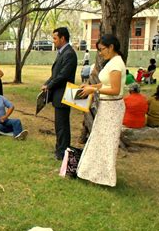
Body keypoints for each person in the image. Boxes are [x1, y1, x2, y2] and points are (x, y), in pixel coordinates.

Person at [77, 34, 126, 187]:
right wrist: (91, 87)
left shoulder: (117, 64)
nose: (100, 52)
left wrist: (94, 90)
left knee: (107, 143)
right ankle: (94, 174)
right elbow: (104, 84)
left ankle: (104, 177)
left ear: (111, 47)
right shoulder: (112, 62)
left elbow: (115, 90)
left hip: (113, 108)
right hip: (106, 107)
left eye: (102, 49)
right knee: (99, 140)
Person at [41, 27, 78, 160]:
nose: (53, 41)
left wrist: (49, 86)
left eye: (55, 38)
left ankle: (63, 153)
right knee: (59, 125)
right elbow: (55, 74)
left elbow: (63, 76)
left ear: (63, 38)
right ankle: (60, 149)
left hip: (64, 94)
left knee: (62, 126)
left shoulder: (69, 54)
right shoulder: (62, 52)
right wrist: (46, 84)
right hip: (59, 95)